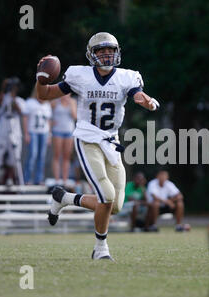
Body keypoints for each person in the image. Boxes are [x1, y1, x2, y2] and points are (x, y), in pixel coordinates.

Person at [36, 32, 160, 260]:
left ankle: (64, 198)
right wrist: (41, 78)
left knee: (115, 205)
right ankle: (100, 249)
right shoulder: (80, 75)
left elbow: (137, 95)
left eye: (110, 50)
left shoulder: (127, 77)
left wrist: (146, 101)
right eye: (101, 51)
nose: (106, 55)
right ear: (91, 55)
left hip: (111, 142)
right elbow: (44, 95)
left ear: (117, 52)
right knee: (106, 194)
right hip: (87, 138)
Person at [0, 77, 26, 185]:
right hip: (2, 124)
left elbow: (20, 111)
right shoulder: (2, 97)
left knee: (13, 152)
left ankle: (10, 178)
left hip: (14, 125)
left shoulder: (19, 100)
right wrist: (3, 88)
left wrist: (13, 96)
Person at [22, 87, 52, 185]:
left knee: (41, 156)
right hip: (32, 131)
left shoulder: (47, 104)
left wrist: (49, 135)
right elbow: (25, 118)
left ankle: (38, 179)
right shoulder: (30, 102)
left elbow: (49, 121)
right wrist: (26, 133)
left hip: (44, 132)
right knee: (33, 155)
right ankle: (27, 179)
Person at [51, 94, 77, 187]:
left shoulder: (72, 102)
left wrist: (70, 104)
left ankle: (65, 179)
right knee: (57, 155)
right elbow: (49, 115)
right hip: (57, 131)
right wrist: (51, 124)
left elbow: (75, 116)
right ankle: (57, 179)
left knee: (67, 156)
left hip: (69, 131)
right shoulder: (55, 102)